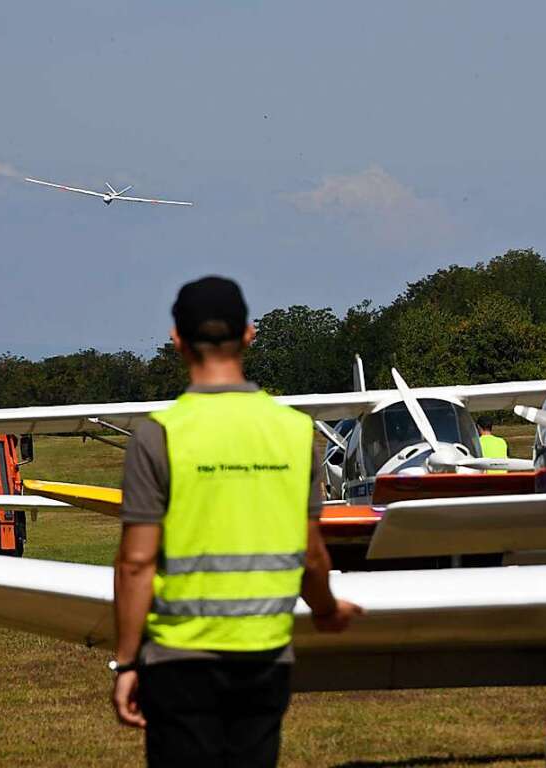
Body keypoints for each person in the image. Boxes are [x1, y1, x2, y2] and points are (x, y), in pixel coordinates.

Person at [112, 276, 363, 767]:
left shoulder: (157, 435)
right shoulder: (294, 431)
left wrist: (125, 661)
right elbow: (312, 554)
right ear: (248, 335)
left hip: (179, 657)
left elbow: (136, 564)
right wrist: (327, 610)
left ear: (177, 340)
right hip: (264, 655)